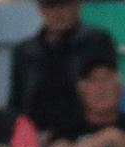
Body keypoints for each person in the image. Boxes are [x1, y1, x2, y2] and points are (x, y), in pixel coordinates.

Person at [9, 0, 117, 139]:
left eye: (64, 4)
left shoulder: (97, 42)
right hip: (35, 135)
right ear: (41, 8)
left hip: (85, 134)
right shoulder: (24, 52)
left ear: (77, 5)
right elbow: (16, 102)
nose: (58, 12)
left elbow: (109, 93)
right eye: (51, 5)